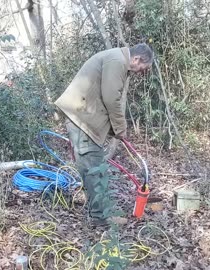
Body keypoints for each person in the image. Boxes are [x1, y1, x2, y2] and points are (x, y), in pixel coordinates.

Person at [54, 43, 154, 226]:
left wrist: (114, 131)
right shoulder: (117, 61)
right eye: (143, 68)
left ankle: (96, 208)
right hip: (82, 119)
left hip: (82, 117)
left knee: (90, 166)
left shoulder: (115, 58)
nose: (141, 72)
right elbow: (110, 98)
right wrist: (120, 128)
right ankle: (100, 217)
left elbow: (102, 97)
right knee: (95, 168)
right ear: (137, 59)